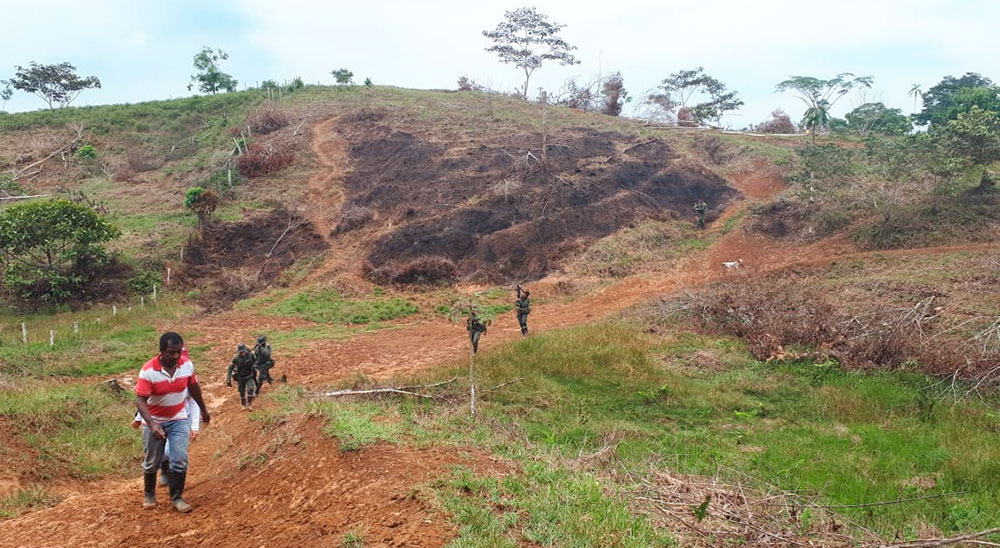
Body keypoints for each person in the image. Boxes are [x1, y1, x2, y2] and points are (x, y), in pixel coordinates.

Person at [135, 332, 211, 513]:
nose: (176, 356)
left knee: (180, 459)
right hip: (155, 420)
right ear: (161, 351)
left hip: (178, 418)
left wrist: (204, 410)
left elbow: (194, 388)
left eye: (178, 352)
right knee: (152, 461)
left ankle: (177, 497)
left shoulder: (187, 365)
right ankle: (149, 495)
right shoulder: (148, 371)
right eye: (171, 352)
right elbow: (140, 401)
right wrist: (152, 425)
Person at [227, 343, 256, 410]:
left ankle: (249, 404)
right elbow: (230, 367)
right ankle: (243, 404)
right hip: (240, 377)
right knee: (241, 391)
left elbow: (255, 361)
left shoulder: (250, 355)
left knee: (251, 389)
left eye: (244, 351)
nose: (243, 353)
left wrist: (254, 367)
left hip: (249, 375)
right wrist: (228, 378)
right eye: (241, 352)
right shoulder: (236, 358)